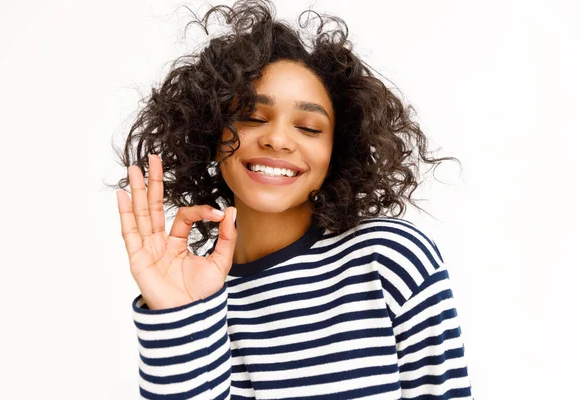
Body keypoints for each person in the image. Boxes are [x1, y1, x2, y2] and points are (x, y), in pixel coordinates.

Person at [112, 0, 473, 398]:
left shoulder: (389, 260)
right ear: (213, 135)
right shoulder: (195, 288)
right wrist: (180, 320)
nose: (278, 139)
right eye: (252, 116)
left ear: (337, 151)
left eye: (308, 127)